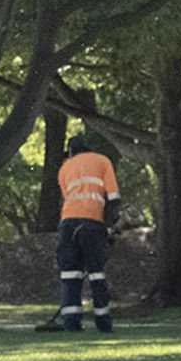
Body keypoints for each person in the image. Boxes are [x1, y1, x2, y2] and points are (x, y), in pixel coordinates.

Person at [54, 135, 118, 333]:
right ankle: (103, 322)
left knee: (70, 273)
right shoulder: (102, 161)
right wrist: (110, 225)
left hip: (68, 223)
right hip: (92, 222)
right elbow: (113, 197)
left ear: (71, 152)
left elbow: (68, 197)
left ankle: (71, 322)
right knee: (96, 273)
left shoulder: (64, 168)